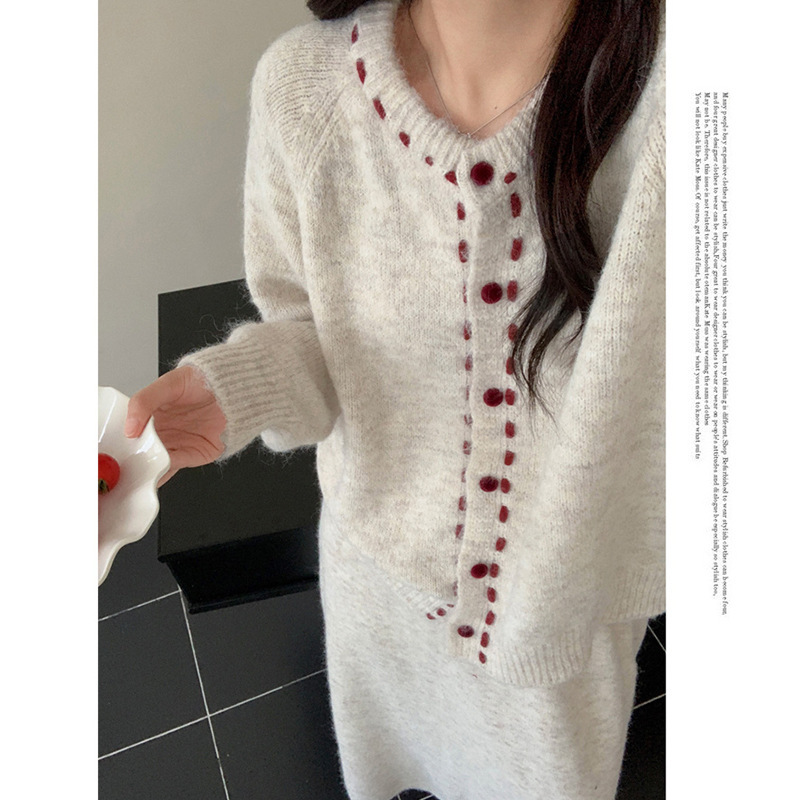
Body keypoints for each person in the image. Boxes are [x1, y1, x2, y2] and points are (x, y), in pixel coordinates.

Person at [124, 0, 665, 798]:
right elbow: (313, 333)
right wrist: (233, 389)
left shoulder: (685, 102)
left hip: (556, 623)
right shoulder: (301, 89)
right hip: (374, 590)